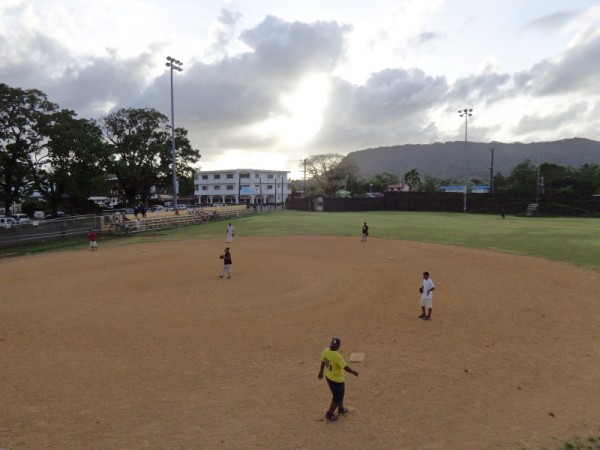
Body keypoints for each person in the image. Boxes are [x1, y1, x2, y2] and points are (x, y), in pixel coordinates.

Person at [318, 337, 359, 422]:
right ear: (338, 346)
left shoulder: (325, 351)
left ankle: (340, 408)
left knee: (339, 395)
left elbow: (323, 361)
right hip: (337, 380)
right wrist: (353, 372)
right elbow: (345, 367)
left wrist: (321, 372)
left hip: (329, 377)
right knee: (337, 397)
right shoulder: (337, 356)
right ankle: (329, 414)